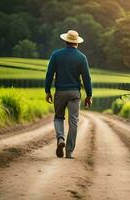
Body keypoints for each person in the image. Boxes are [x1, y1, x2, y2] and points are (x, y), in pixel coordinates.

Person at [45, 30, 92, 159]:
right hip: (74, 93)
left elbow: (49, 74)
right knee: (74, 122)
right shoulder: (81, 57)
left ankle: (60, 138)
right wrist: (89, 95)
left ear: (65, 41)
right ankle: (69, 152)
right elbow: (87, 78)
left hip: (60, 92)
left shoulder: (56, 55)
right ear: (77, 43)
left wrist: (47, 91)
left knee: (59, 117)